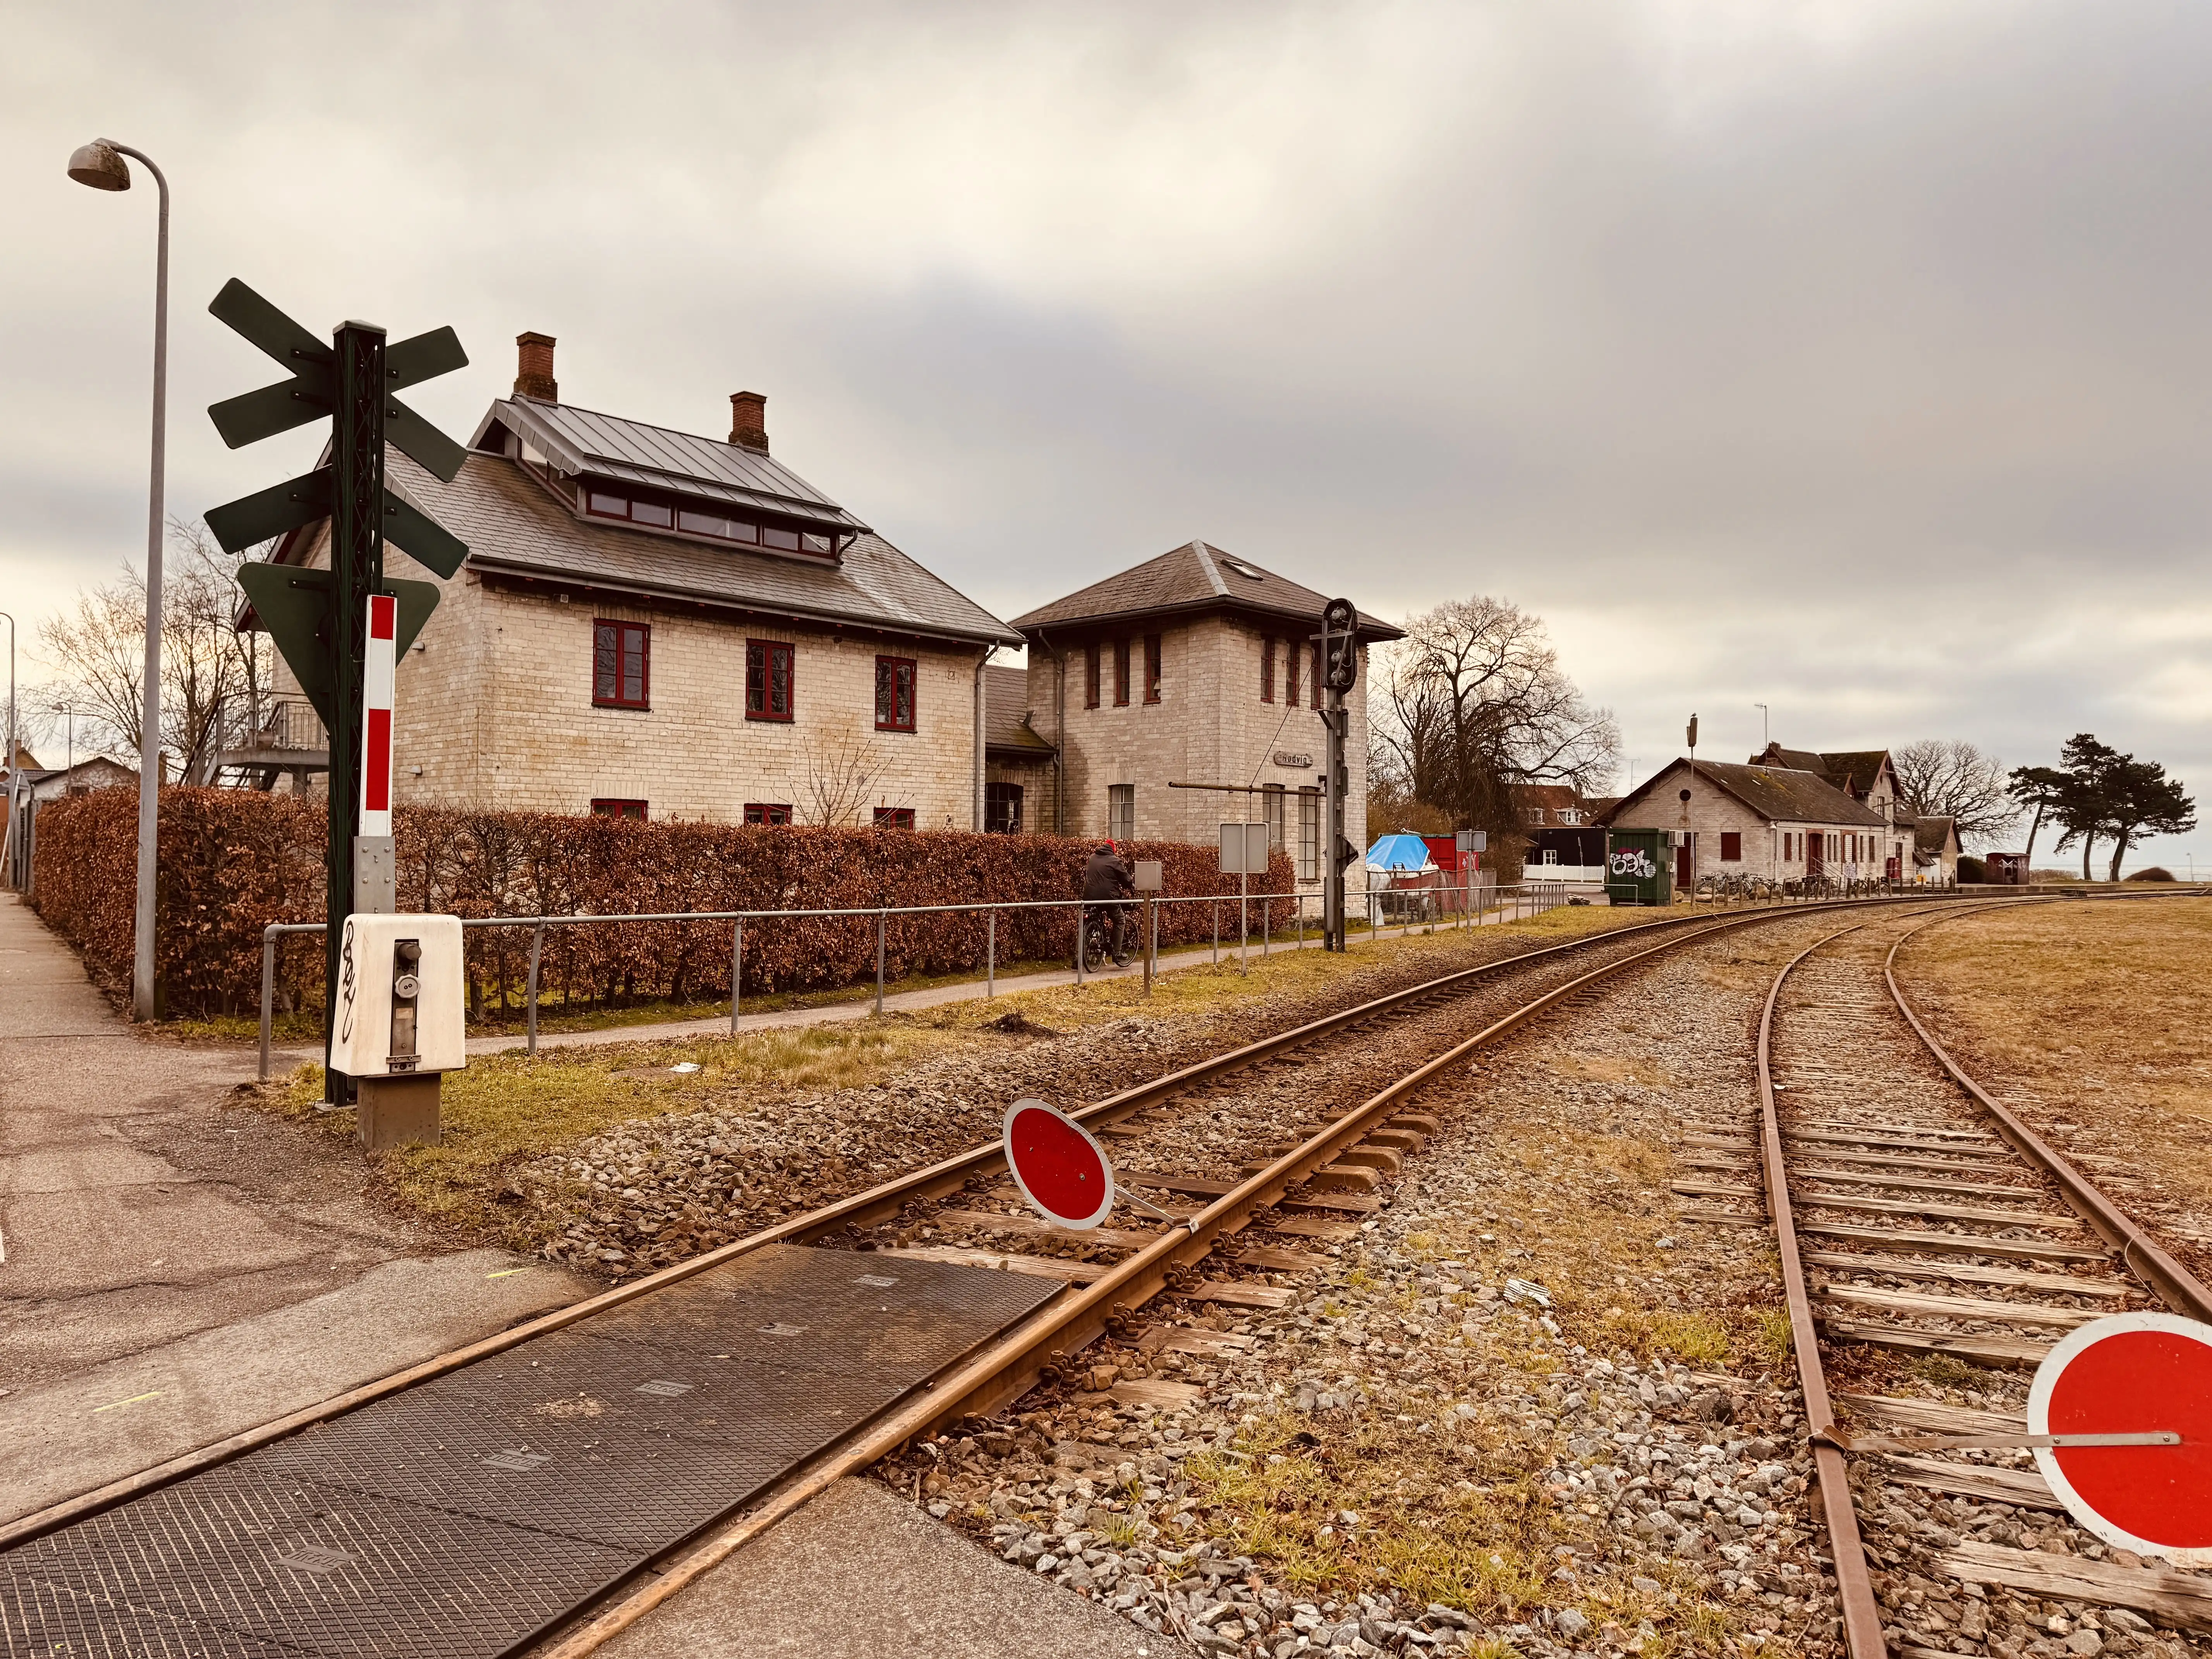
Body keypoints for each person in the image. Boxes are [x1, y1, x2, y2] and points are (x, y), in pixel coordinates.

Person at [1078, 839, 1135, 968]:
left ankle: (1077, 959)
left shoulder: (1092, 858)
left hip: (1089, 898)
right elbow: (1126, 879)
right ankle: (1117, 953)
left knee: (1086, 925)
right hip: (1108, 898)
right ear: (1113, 850)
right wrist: (1132, 885)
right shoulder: (1115, 861)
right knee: (1120, 920)